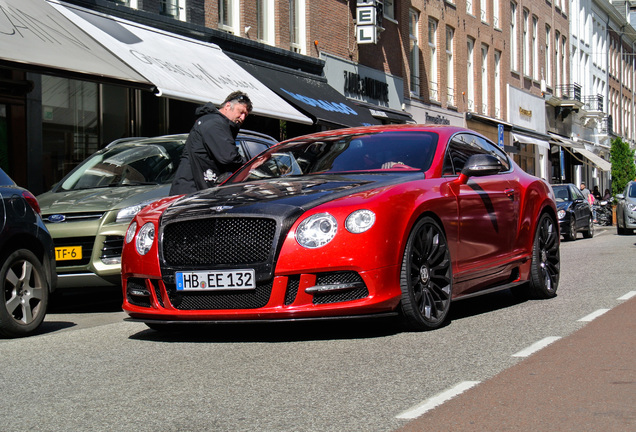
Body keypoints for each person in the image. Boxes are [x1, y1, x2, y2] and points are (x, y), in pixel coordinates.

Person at [170, 91, 253, 195]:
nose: (242, 118)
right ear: (228, 105)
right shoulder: (214, 123)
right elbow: (229, 157)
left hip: (195, 189)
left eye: (245, 115)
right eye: (241, 112)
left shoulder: (215, 122)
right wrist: (250, 167)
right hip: (192, 191)